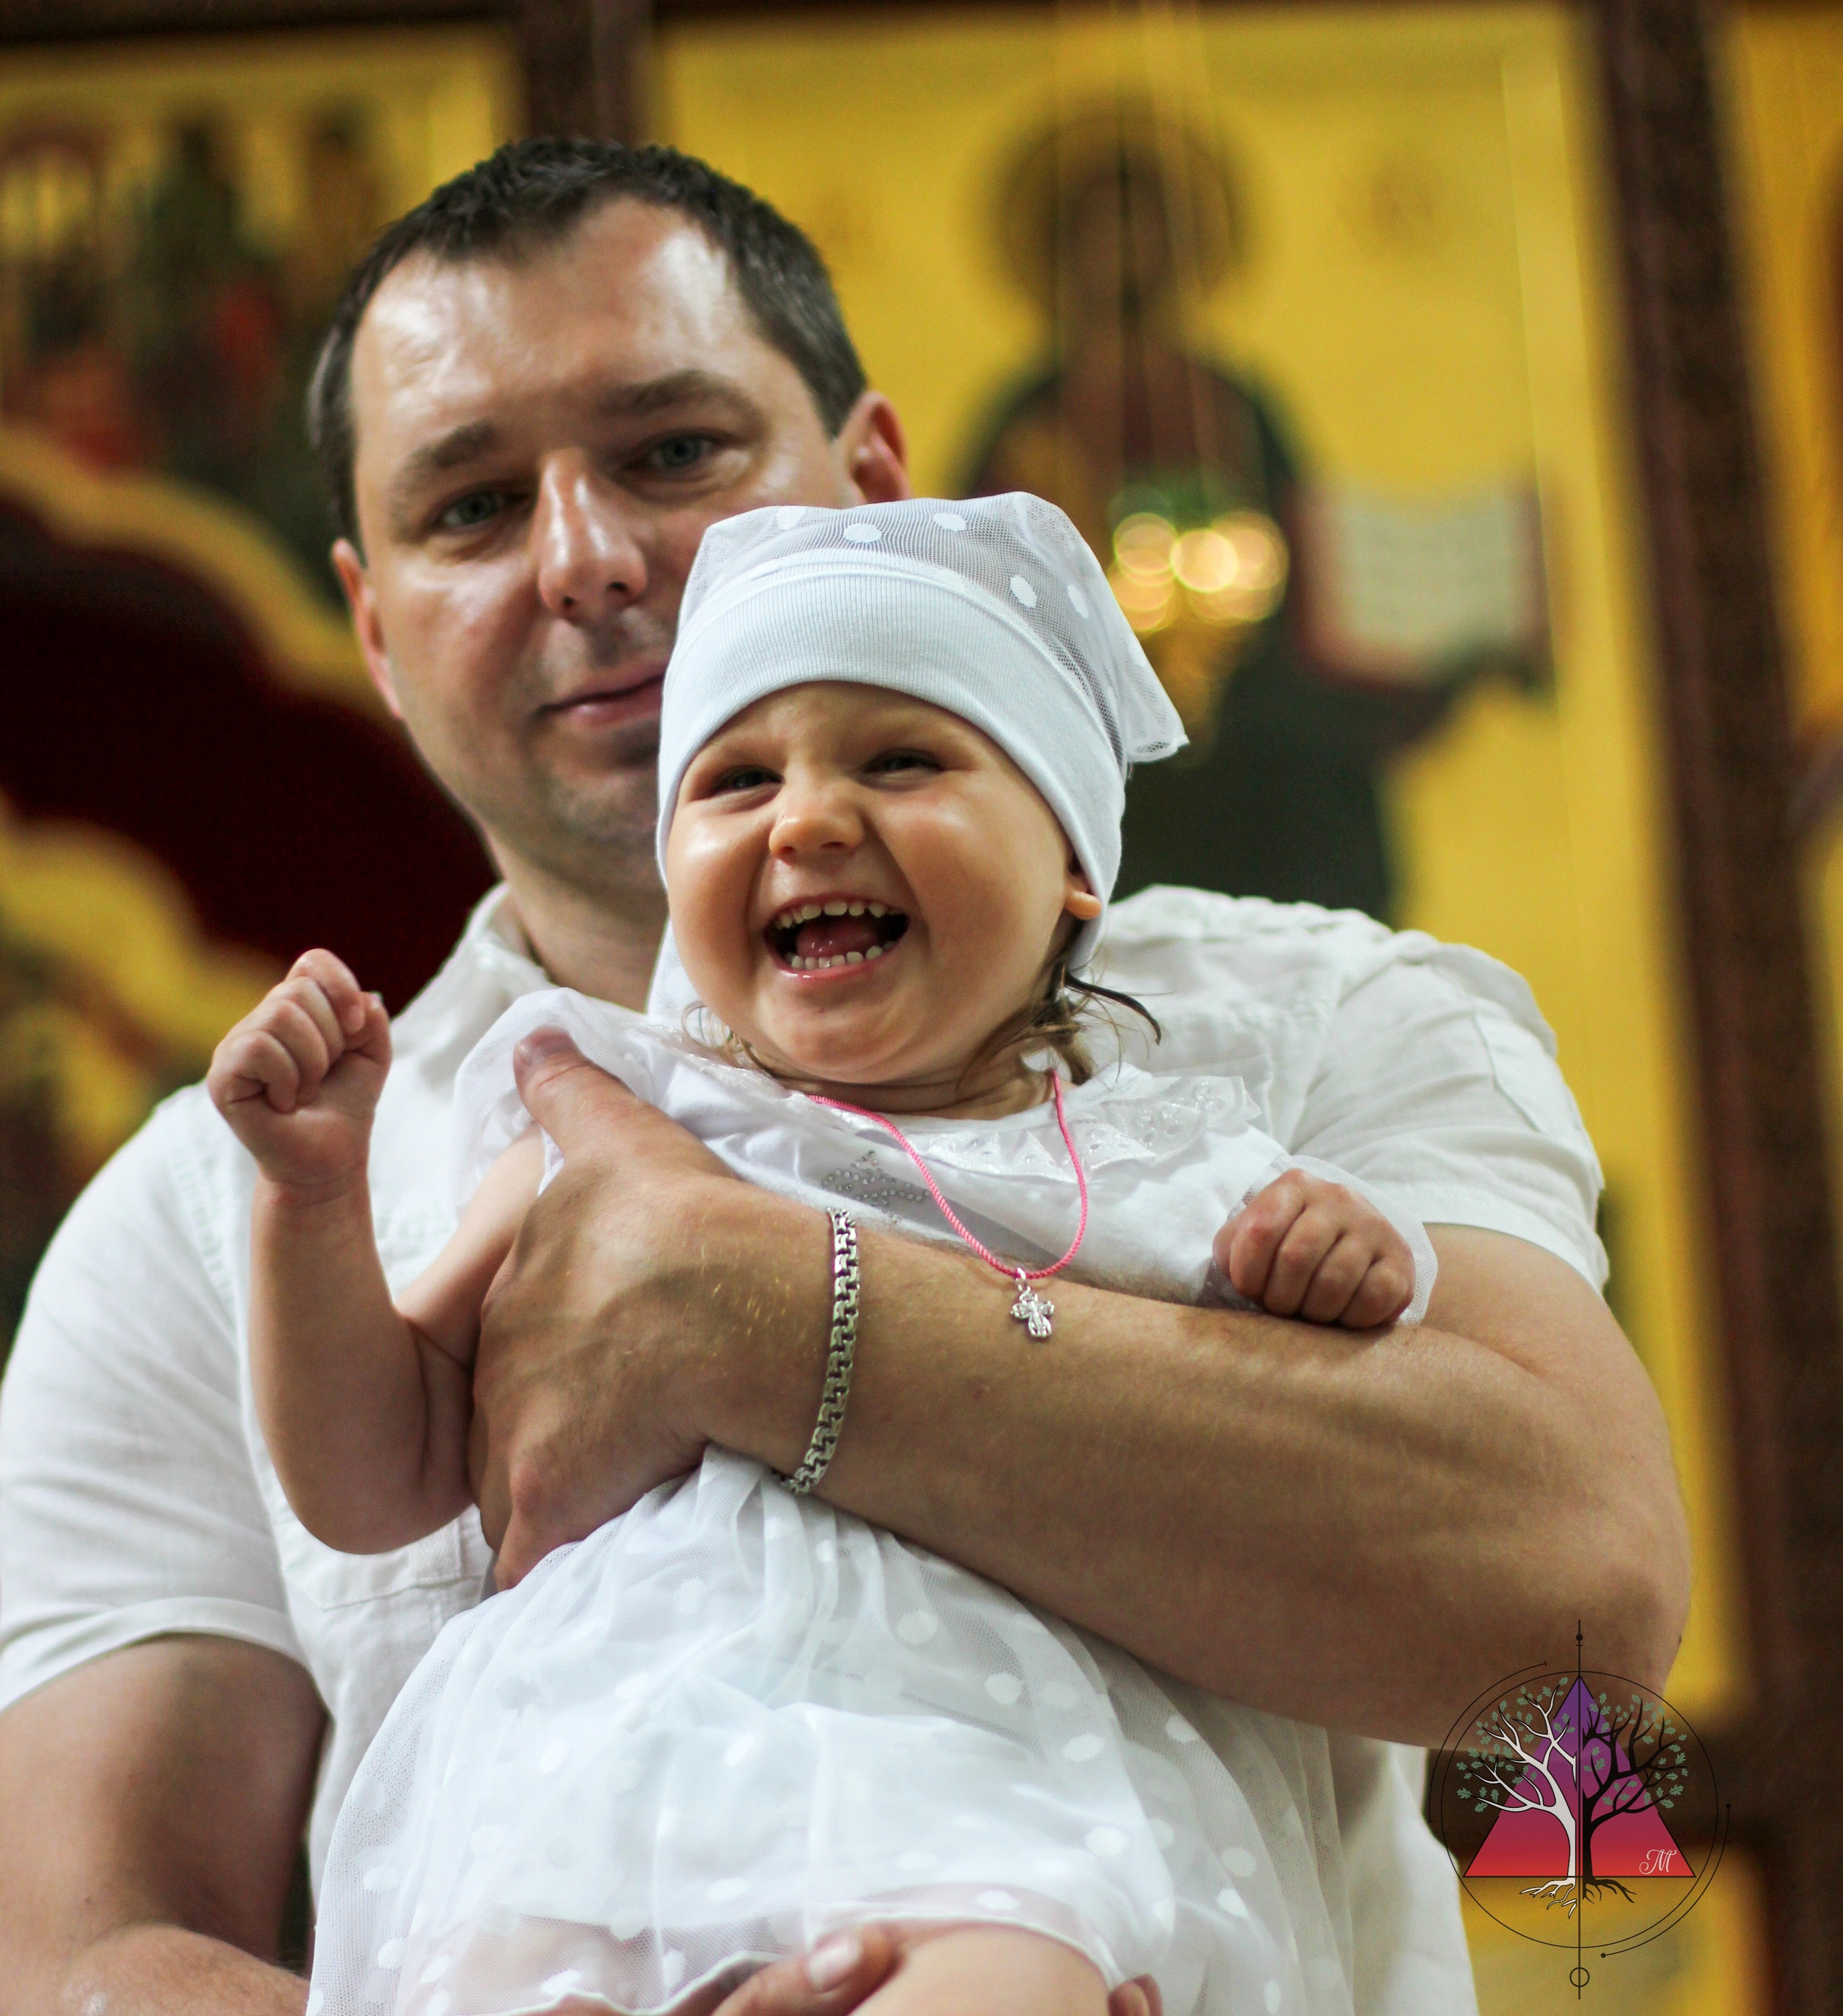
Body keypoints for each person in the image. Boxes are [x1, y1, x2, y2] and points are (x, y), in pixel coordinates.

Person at [0, 138, 1689, 2016]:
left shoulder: (1317, 1025)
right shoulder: (203, 1218)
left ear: (875, 485)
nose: (586, 560)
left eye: (673, 453)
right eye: (471, 507)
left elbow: (1577, 1612)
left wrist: (760, 1314)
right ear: (376, 625)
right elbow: (78, 1955)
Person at [211, 493, 1436, 2016]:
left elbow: (1325, 1451)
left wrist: (1345, 1259)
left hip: (995, 1791)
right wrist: (308, 1201)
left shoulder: (1147, 1156)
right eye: (733, 780)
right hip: (601, 1784)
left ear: (1069, 862)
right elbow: (370, 1473)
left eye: (899, 756)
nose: (801, 818)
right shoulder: (605, 1120)